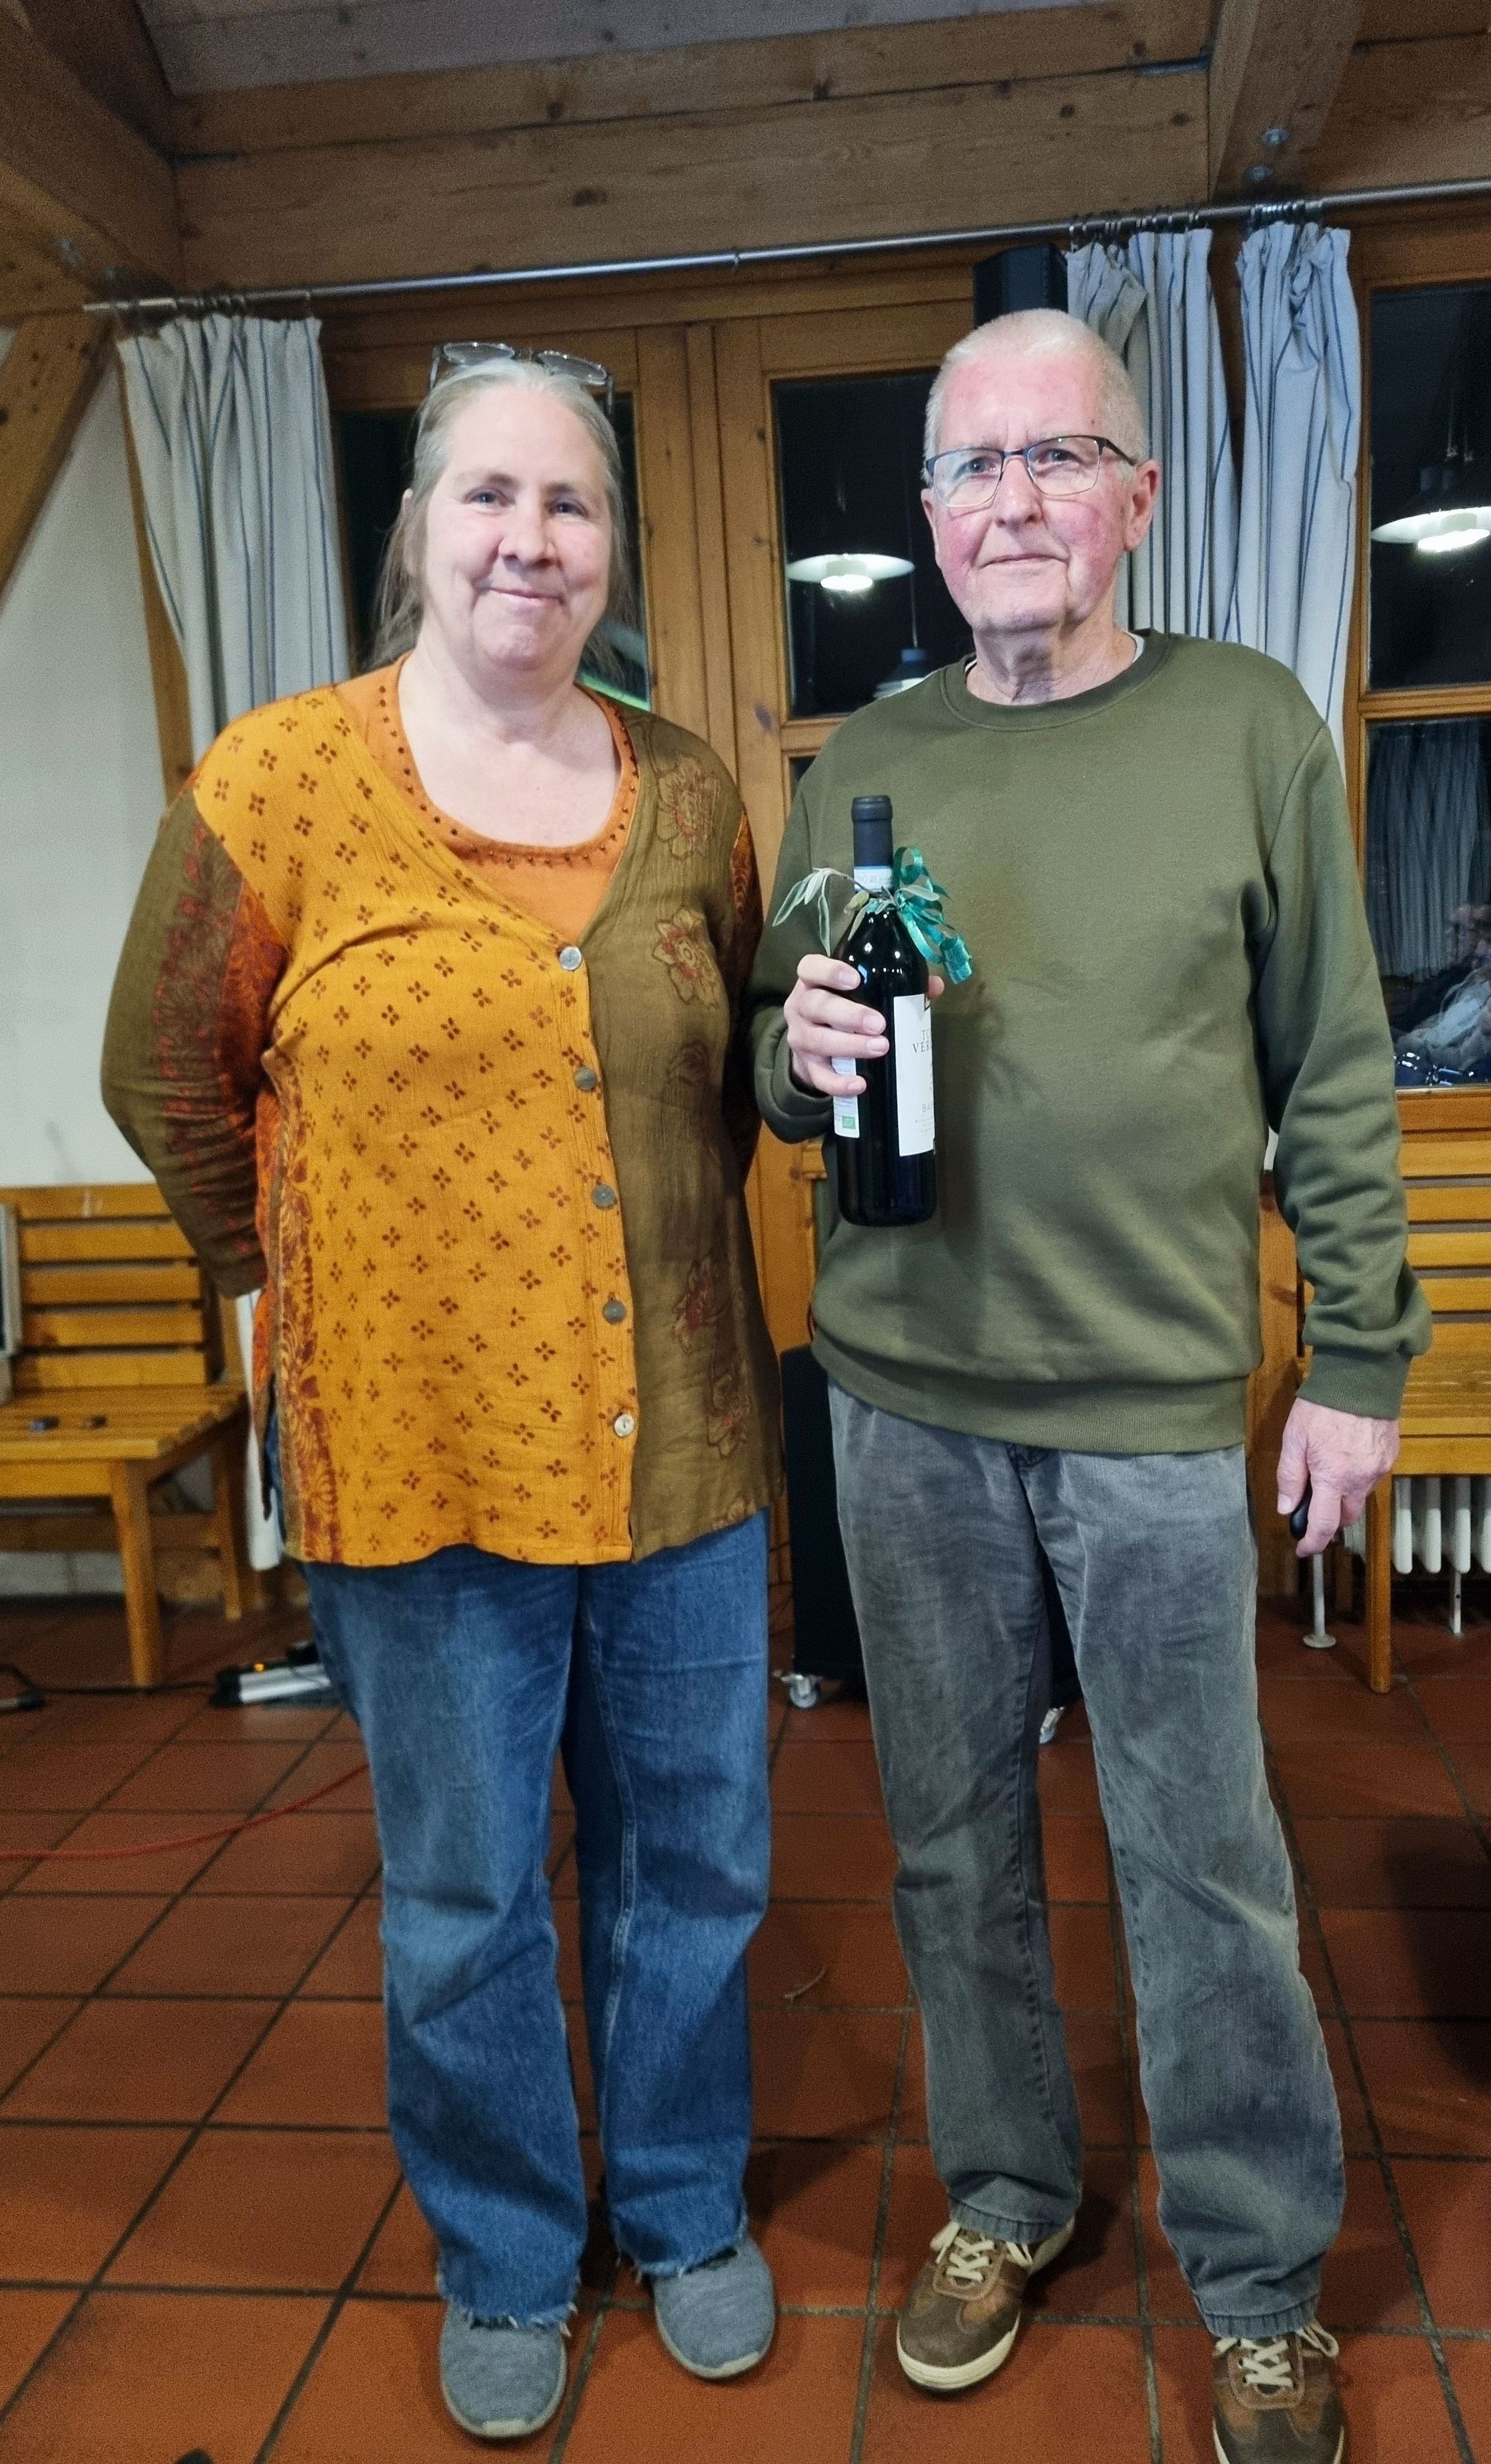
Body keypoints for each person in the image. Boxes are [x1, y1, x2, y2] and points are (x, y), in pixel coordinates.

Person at [748, 307, 1429, 2464]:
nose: (1013, 500)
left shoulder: (1244, 727)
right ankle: (1007, 2189)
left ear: (1135, 494)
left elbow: (1334, 1065)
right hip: (899, 1397)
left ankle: (1256, 2281)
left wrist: (1360, 1354)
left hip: (1146, 1407)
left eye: (1057, 457)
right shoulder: (864, 763)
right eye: (971, 466)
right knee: (947, 1841)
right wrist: (797, 1054)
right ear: (928, 515)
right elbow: (776, 1045)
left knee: (1198, 1856)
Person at [103, 352, 784, 2443]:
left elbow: (718, 1084)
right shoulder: (279, 784)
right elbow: (164, 1069)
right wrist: (274, 1282)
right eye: (488, 495)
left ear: (611, 551)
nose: (528, 540)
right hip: (418, 1451)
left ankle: (680, 2205)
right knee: (470, 1895)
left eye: (570, 504)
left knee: (694, 1867)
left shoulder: (690, 796)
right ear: (416, 529)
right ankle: (502, 2247)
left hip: (678, 1444)